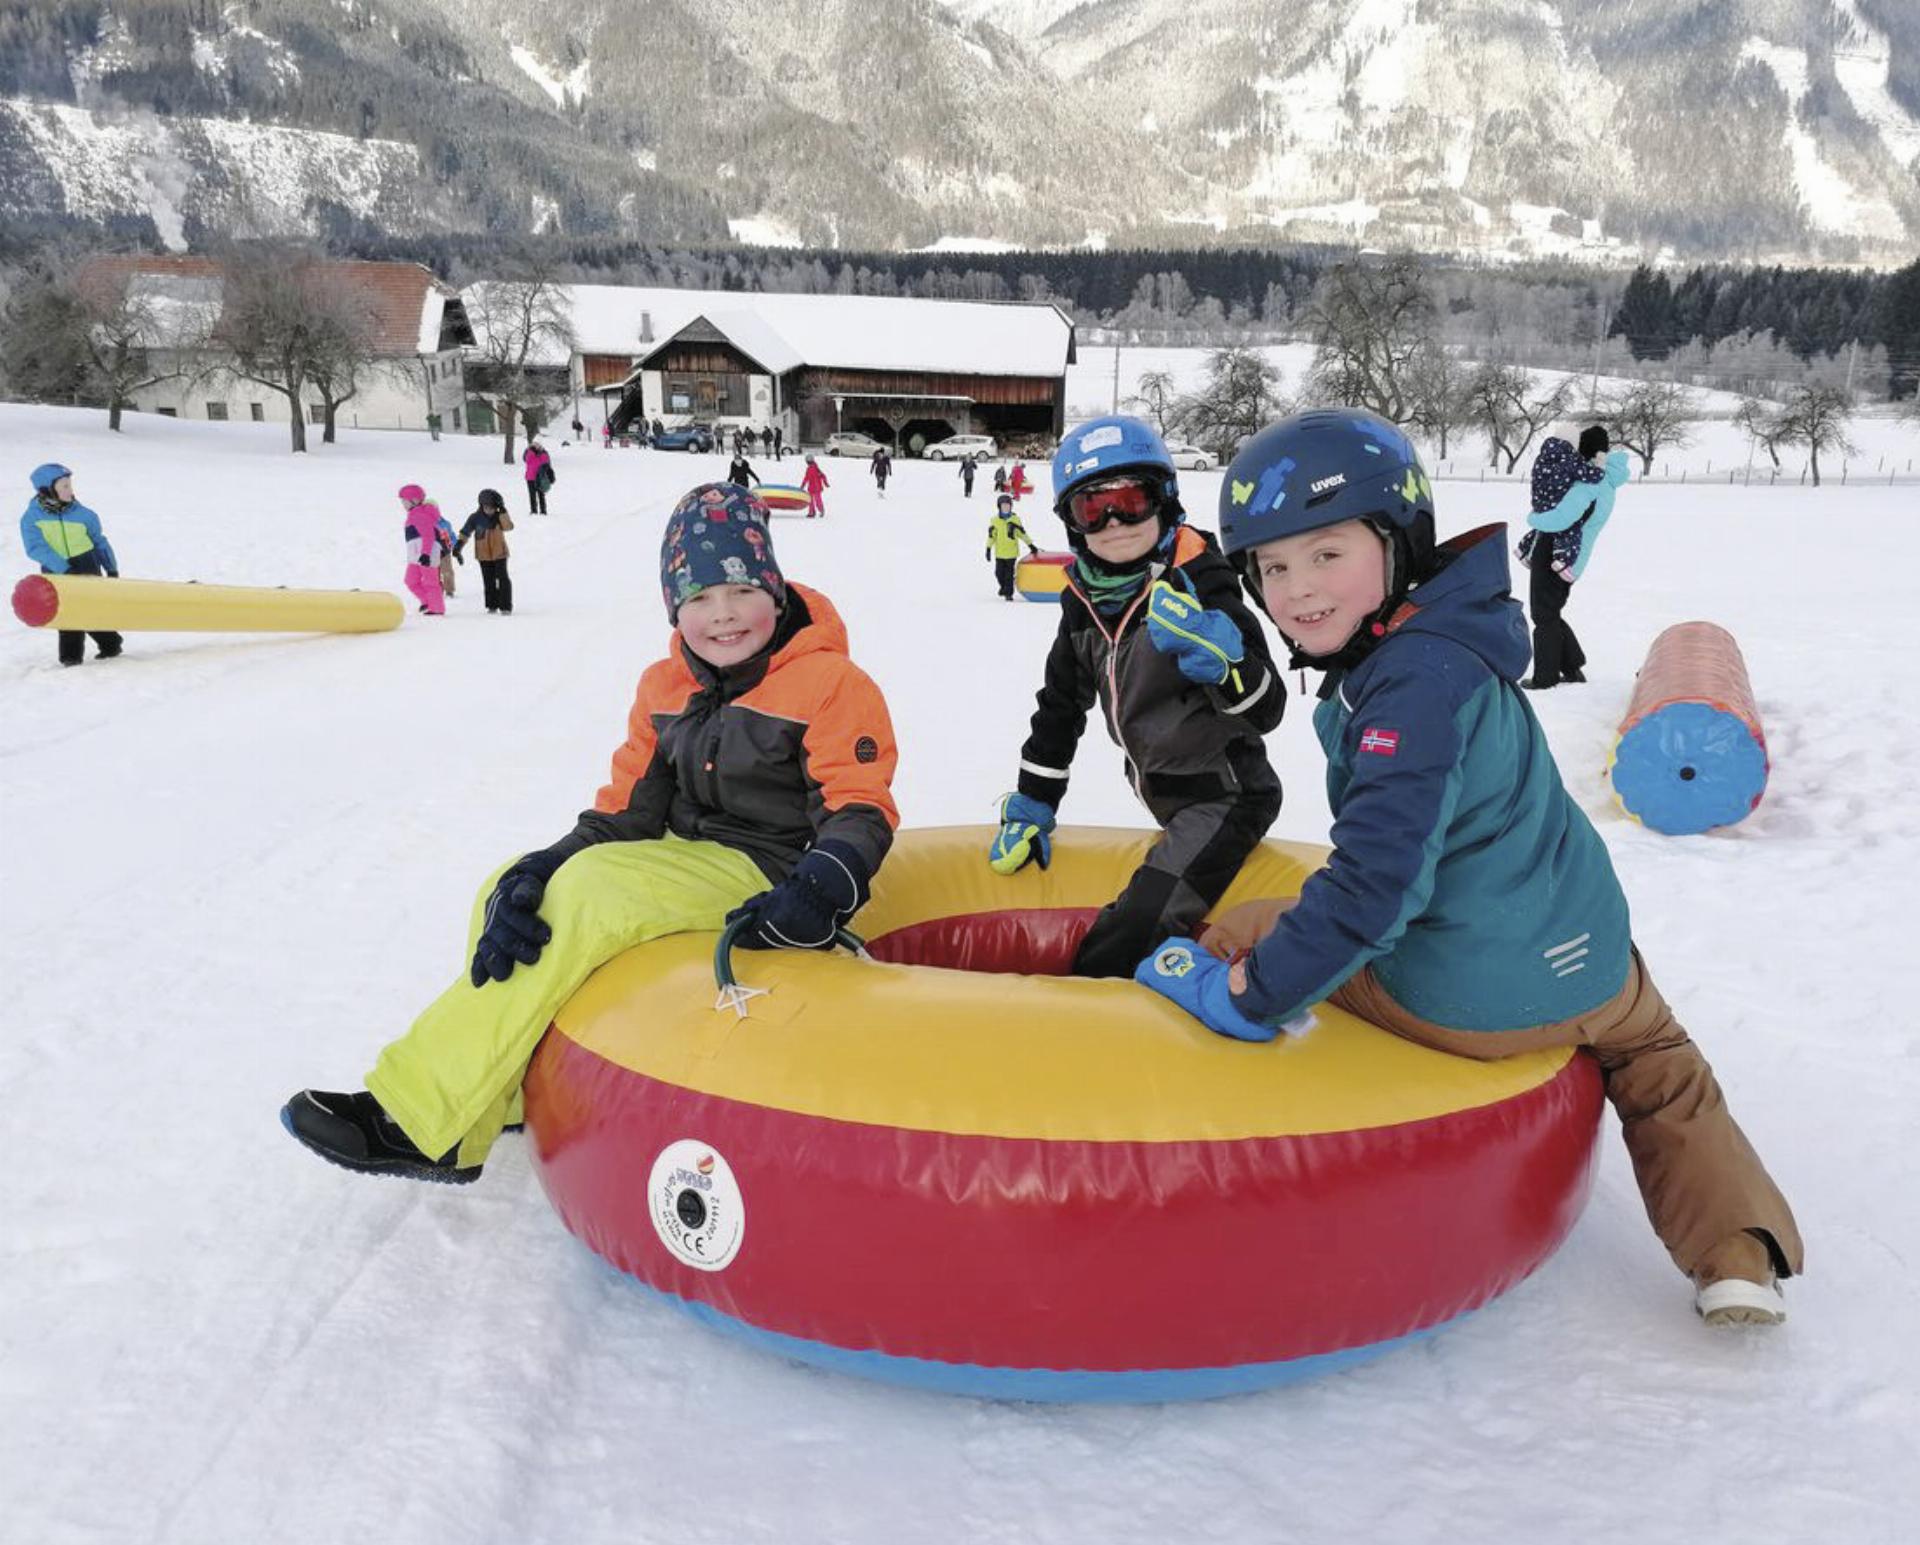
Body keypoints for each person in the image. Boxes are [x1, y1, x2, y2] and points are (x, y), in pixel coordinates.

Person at [1139, 407, 1802, 1328]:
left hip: (1456, 996)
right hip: (1599, 963)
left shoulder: (1408, 691)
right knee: (1660, 1061)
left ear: (1396, 542)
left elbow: (1375, 890)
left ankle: (1197, 1159)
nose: (1296, 590)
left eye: (1326, 554)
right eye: (1273, 566)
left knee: (1247, 929)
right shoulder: (1454, 644)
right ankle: (1736, 1255)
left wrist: (1249, 994)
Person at [282, 484, 900, 1183]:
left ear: (774, 588)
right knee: (510, 881)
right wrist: (542, 864)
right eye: (697, 597)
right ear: (674, 607)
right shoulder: (665, 686)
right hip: (686, 860)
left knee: (594, 893)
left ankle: (420, 1116)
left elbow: (859, 804)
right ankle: (494, 1099)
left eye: (737, 588)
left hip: (775, 871)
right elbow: (628, 811)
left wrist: (819, 888)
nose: (721, 614)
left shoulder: (828, 681)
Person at [988, 416, 1284, 979]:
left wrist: (1227, 663)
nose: (1116, 521)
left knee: (1133, 929)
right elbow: (1059, 704)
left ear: (1165, 501)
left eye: (1132, 499)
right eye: (1093, 509)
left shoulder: (1201, 579)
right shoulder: (1083, 599)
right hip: (1166, 792)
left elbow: (1267, 709)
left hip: (1229, 795)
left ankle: (1096, 1026)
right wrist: (1034, 803)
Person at [1521, 425, 1628, 690]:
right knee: (1550, 611)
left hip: (1559, 551)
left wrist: (1533, 518)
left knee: (1543, 614)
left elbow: (1561, 518)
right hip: (1572, 555)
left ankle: (1545, 677)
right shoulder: (1606, 482)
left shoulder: (1590, 482)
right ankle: (1571, 666)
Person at [19, 463, 123, 667]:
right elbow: (35, 548)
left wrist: (111, 567)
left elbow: (99, 542)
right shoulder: (32, 518)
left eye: (70, 485)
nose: (70, 490)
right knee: (66, 611)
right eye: (64, 486)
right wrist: (62, 567)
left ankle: (111, 643)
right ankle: (70, 658)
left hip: (86, 564)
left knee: (91, 608)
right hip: (55, 570)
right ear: (47, 490)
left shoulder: (85, 515)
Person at [456, 488, 516, 615]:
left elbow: (508, 527)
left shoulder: (499, 517)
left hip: (500, 553)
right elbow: (465, 532)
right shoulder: (475, 518)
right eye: (486, 507)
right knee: (488, 580)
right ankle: (492, 605)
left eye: (492, 507)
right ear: (481, 505)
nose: (489, 510)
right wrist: (458, 548)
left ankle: (505, 606)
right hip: (483, 555)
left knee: (502, 578)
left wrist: (503, 512)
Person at [399, 484, 447, 616]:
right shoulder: (414, 514)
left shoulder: (421, 514)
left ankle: (437, 608)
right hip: (416, 555)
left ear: (414, 500)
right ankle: (427, 601)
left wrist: (425, 554)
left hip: (427, 554)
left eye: (404, 501)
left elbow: (428, 535)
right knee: (410, 580)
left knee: (431, 582)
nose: (403, 504)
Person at [985, 492, 1037, 600]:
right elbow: (992, 536)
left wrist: (1030, 545)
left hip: (1011, 553)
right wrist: (988, 548)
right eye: (1003, 506)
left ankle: (1008, 594)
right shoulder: (995, 521)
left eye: (1008, 506)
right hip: (999, 553)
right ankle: (1004, 587)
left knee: (1008, 575)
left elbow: (1022, 534)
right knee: (998, 573)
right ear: (999, 507)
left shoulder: (1015, 520)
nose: (1005, 508)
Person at [435, 507, 461, 600]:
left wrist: (453, 543)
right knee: (434, 572)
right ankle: (436, 590)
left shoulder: (445, 523)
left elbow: (452, 535)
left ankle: (449, 591)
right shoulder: (426, 523)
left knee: (447, 571)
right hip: (432, 552)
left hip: (445, 552)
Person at [523, 439, 553, 515]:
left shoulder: (544, 454)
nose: (536, 445)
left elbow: (546, 463)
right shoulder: (529, 453)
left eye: (538, 444)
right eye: (534, 444)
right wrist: (530, 450)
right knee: (532, 495)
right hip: (530, 477)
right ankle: (533, 510)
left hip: (540, 478)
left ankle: (543, 510)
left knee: (541, 495)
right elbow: (526, 459)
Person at [800, 454, 829, 519]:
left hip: (817, 488)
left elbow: (823, 476)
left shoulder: (816, 468)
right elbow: (806, 478)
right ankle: (812, 512)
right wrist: (802, 485)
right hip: (811, 487)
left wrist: (826, 483)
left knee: (817, 500)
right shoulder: (809, 469)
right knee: (810, 501)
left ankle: (821, 510)